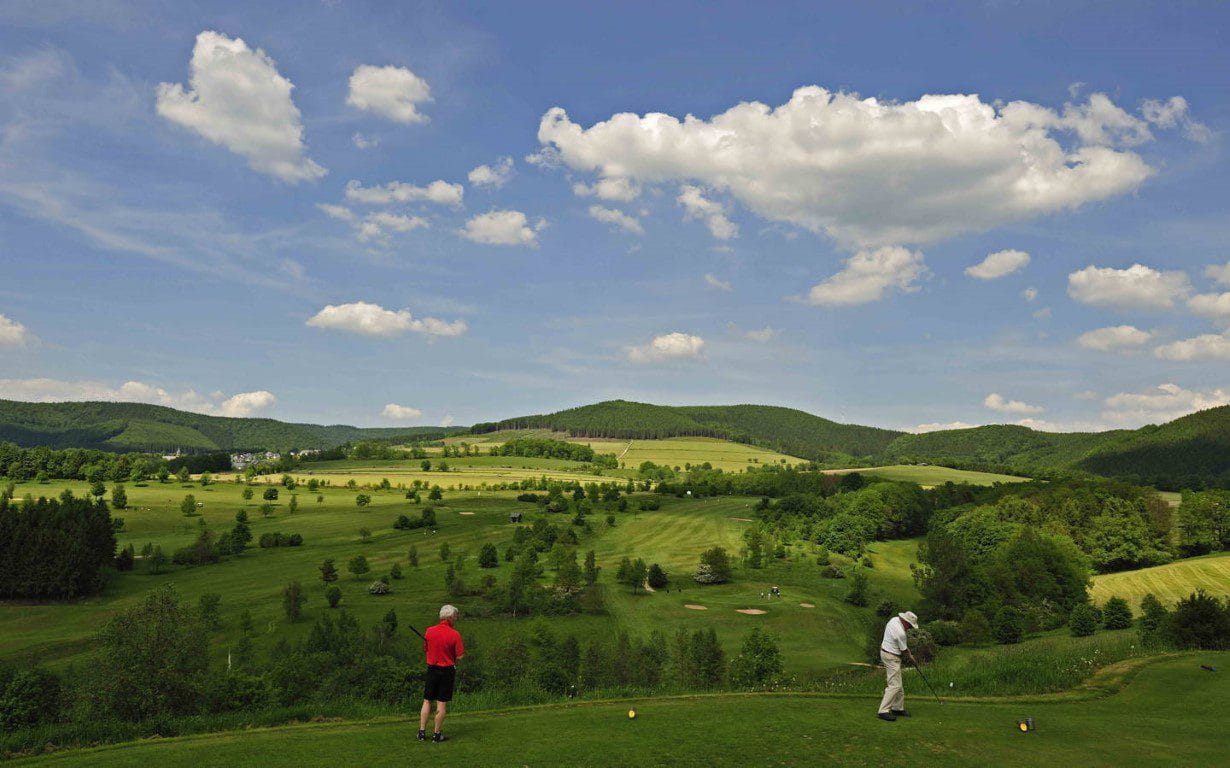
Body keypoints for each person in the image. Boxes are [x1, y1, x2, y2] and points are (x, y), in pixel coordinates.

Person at [419, 604, 465, 743]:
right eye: (455, 616)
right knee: (441, 703)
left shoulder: (429, 631)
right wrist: (450, 655)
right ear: (449, 617)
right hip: (447, 671)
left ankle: (421, 733)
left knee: (427, 700)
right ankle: (436, 734)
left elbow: (425, 649)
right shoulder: (454, 634)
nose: (456, 619)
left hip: (432, 670)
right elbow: (460, 656)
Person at [876, 610, 918, 721]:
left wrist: (910, 655)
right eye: (910, 626)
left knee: (898, 683)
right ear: (905, 621)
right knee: (895, 685)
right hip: (891, 657)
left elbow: (904, 649)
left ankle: (897, 708)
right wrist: (912, 659)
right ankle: (883, 711)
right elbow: (904, 651)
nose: (909, 628)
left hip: (886, 652)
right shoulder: (900, 633)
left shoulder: (894, 620)